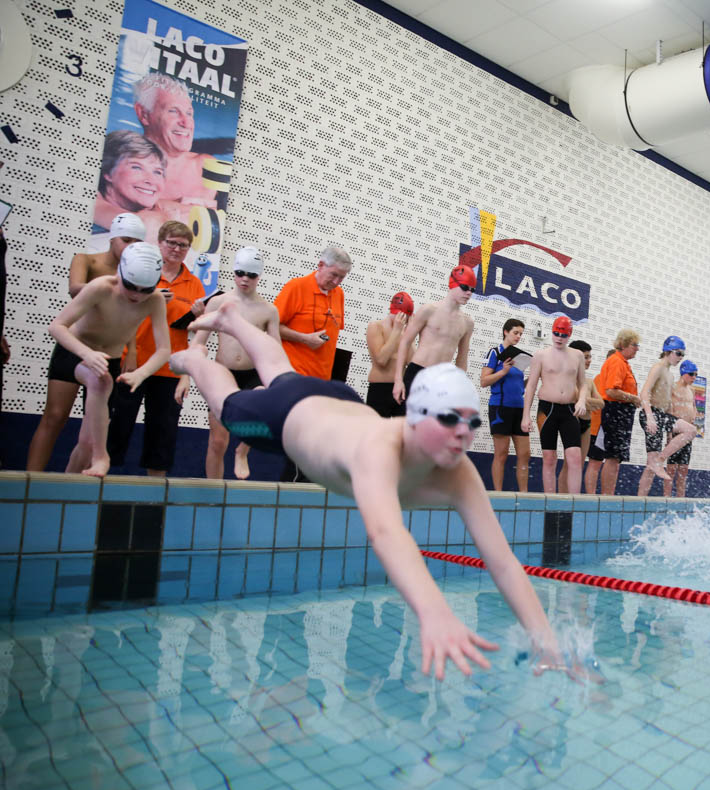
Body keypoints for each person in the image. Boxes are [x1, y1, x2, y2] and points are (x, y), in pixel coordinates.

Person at [170, 302, 577, 682]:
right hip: (287, 417)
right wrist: (435, 612)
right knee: (229, 406)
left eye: (471, 423)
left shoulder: (456, 469)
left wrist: (549, 646)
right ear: (415, 417)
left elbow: (503, 563)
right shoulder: (379, 450)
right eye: (449, 419)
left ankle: (232, 320)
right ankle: (192, 358)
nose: (462, 435)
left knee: (281, 373)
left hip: (338, 403)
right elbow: (386, 533)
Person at [27, 243, 169, 476]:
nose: (136, 295)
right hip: (74, 351)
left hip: (108, 360)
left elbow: (164, 350)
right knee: (96, 384)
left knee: (86, 441)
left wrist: (140, 374)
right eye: (131, 286)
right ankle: (101, 457)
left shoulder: (154, 300)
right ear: (120, 274)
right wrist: (87, 354)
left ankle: (68, 486)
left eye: (145, 290)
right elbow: (57, 326)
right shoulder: (101, 287)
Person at [106, 221, 206, 477]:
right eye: (171, 243)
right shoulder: (143, 273)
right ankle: (101, 480)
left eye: (183, 245)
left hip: (170, 369)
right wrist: (152, 297)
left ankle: (155, 492)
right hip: (133, 362)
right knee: (117, 426)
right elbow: (121, 310)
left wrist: (199, 316)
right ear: (159, 243)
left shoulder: (194, 283)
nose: (177, 249)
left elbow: (194, 332)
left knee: (163, 433)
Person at [192, 247, 279, 479]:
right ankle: (214, 491)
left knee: (265, 400)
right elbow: (199, 341)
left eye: (251, 275)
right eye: (240, 273)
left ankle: (243, 450)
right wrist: (189, 373)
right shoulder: (218, 303)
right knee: (218, 442)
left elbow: (275, 350)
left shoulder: (268, 310)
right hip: (223, 374)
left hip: (252, 373)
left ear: (258, 276)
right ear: (234, 272)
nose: (244, 279)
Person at [275, 245, 352, 481]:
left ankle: (300, 490)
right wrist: (304, 338)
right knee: (301, 440)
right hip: (295, 376)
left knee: (312, 443)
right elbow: (272, 326)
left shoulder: (338, 295)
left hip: (322, 381)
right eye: (334, 275)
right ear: (320, 266)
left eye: (342, 277)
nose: (336, 282)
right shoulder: (296, 287)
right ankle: (290, 491)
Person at [393, 265, 475, 415]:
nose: (469, 293)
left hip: (442, 380)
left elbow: (462, 358)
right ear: (452, 284)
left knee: (431, 426)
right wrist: (398, 380)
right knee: (406, 423)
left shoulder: (467, 322)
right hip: (418, 373)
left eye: (472, 290)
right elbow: (405, 342)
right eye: (465, 287)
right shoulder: (429, 310)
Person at [522, 316, 588, 494]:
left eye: (563, 335)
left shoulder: (577, 355)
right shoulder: (540, 355)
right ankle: (550, 500)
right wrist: (526, 416)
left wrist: (582, 400)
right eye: (556, 333)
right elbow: (531, 386)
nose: (559, 338)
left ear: (569, 335)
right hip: (546, 410)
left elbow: (583, 384)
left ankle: (574, 501)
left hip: (569, 410)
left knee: (575, 457)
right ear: (552, 332)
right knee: (549, 457)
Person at [131, 73, 215, 214]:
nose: (187, 123)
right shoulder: (122, 167)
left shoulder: (206, 168)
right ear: (143, 114)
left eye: (189, 113)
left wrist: (164, 206)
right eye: (173, 111)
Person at [636, 336, 698, 497]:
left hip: (662, 415)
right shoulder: (658, 368)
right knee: (651, 465)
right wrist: (650, 417)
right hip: (652, 414)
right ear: (668, 351)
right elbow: (644, 393)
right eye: (678, 353)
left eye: (683, 354)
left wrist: (670, 430)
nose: (680, 357)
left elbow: (668, 403)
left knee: (690, 430)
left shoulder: (670, 375)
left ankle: (658, 461)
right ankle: (641, 498)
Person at [481, 318, 529, 492]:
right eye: (515, 333)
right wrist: (503, 371)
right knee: (501, 454)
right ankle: (499, 494)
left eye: (521, 334)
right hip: (500, 407)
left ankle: (524, 494)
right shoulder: (495, 353)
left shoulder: (519, 358)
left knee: (525, 454)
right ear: (506, 332)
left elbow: (518, 386)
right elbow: (484, 381)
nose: (518, 337)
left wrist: (531, 380)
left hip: (519, 408)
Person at [93, 131, 167, 234]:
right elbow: (143, 226)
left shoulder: (154, 205)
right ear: (108, 172)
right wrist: (164, 217)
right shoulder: (92, 200)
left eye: (157, 172)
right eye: (136, 167)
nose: (151, 181)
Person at [596, 330, 641, 495]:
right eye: (634, 345)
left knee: (616, 457)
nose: (637, 348)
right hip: (615, 411)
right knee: (613, 456)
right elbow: (611, 391)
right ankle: (607, 495)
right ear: (623, 344)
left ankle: (610, 494)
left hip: (620, 412)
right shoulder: (616, 362)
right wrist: (633, 398)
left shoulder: (623, 363)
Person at [558, 341, 606, 494]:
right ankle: (561, 498)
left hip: (586, 423)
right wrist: (587, 401)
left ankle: (573, 497)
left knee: (578, 465)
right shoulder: (567, 379)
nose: (589, 360)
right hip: (572, 422)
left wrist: (584, 400)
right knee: (569, 464)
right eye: (586, 357)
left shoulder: (589, 382)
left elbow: (601, 403)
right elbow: (575, 398)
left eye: (590, 357)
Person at [69, 212, 145, 297]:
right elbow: (74, 290)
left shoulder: (138, 271)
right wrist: (114, 287)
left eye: (138, 243)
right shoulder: (84, 260)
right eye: (126, 240)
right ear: (112, 239)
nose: (131, 247)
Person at [365, 291, 414, 418]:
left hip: (401, 389)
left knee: (400, 430)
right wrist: (396, 331)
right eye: (400, 316)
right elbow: (381, 360)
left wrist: (410, 334)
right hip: (380, 388)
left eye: (406, 318)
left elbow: (411, 362)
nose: (402, 320)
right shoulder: (376, 327)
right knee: (377, 429)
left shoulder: (404, 332)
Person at [665, 359, 701, 497]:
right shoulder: (672, 387)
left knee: (684, 470)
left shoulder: (692, 390)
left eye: (696, 375)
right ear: (683, 373)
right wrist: (669, 435)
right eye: (691, 374)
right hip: (676, 433)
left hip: (687, 435)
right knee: (671, 469)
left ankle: (681, 499)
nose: (694, 377)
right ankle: (667, 498)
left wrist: (694, 416)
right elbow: (669, 410)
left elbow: (693, 407)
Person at [584, 349, 615, 494]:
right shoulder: (599, 379)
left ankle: (607, 496)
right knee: (595, 463)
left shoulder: (617, 381)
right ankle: (591, 496)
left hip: (610, 429)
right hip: (597, 429)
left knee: (612, 464)